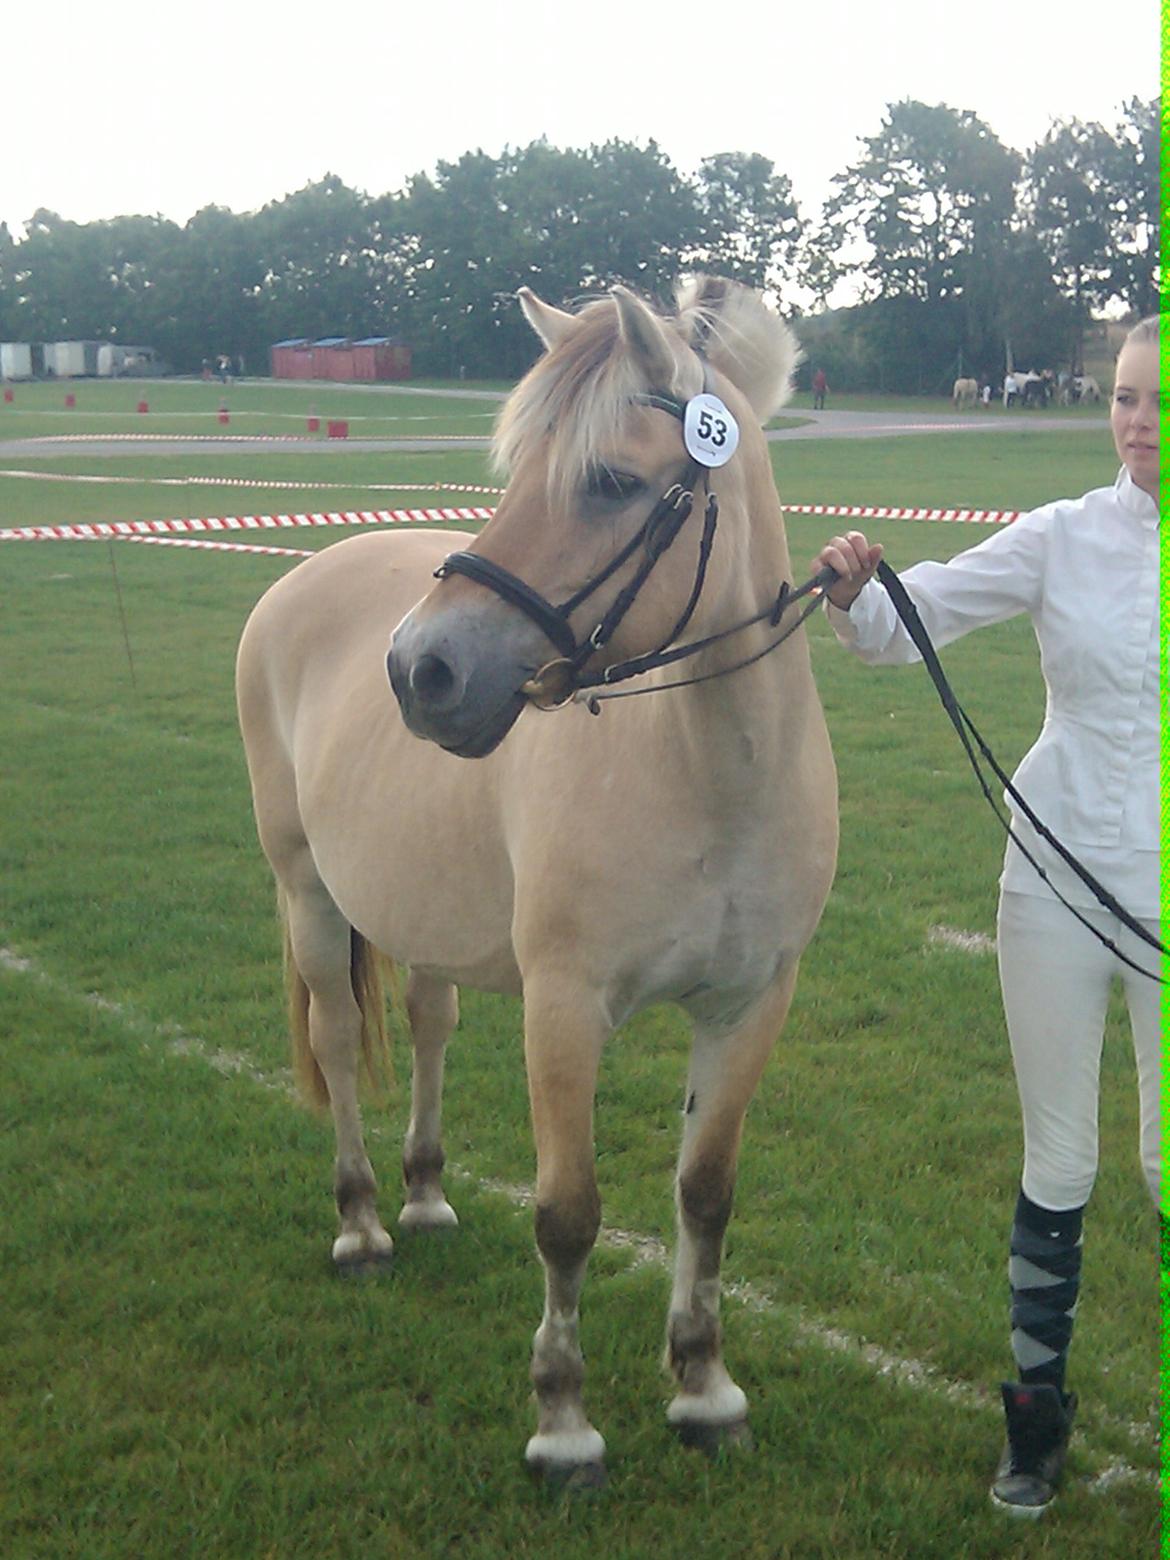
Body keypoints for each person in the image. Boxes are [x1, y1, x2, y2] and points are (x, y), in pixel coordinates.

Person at [811, 315, 1161, 1517]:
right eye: (1125, 397)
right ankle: (1035, 1426)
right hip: (1054, 879)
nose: (1137, 422)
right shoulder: (1065, 536)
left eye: (1160, 402)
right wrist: (858, 592)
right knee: (1060, 1158)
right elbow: (917, 618)